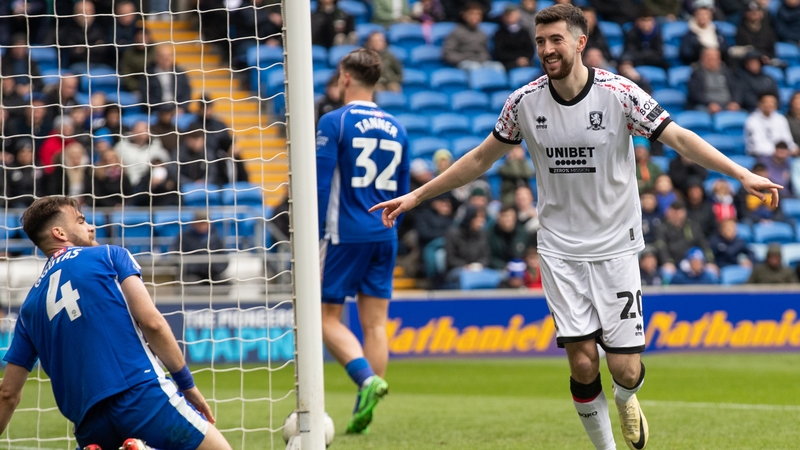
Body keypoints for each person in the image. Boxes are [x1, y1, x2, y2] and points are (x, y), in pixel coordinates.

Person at [370, 5, 781, 449]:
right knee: (583, 364)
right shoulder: (523, 103)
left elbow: (679, 137)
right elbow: (479, 158)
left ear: (580, 42)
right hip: (560, 251)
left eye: (556, 40)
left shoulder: (619, 93)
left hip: (616, 247)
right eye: (540, 41)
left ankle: (626, 397)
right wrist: (416, 196)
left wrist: (741, 174)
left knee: (625, 369)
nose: (547, 49)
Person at [0, 196, 232, 450]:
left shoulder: (29, 307)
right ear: (60, 233)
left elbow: (8, 393)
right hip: (141, 394)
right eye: (81, 221)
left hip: (88, 423)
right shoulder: (110, 255)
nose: (91, 227)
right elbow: (152, 322)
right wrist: (187, 385)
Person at [315, 48, 409, 434]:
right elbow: (403, 193)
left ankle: (366, 379)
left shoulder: (334, 121)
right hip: (385, 233)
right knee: (375, 325)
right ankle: (363, 412)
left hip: (344, 233)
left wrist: (313, 234)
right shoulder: (399, 128)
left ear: (346, 78)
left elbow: (321, 186)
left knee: (322, 318)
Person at [442, 3, 506, 71]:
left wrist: (481, 59)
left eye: (478, 14)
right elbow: (447, 53)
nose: (475, 17)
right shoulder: (457, 32)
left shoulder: (482, 33)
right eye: (472, 14)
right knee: (475, 67)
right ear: (464, 15)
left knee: (498, 66)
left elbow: (485, 52)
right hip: (463, 62)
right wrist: (465, 58)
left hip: (481, 62)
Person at [173, 211, 228, 284]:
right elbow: (176, 256)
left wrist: (213, 269)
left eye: (205, 223)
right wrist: (197, 268)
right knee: (191, 282)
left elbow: (224, 259)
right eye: (200, 223)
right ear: (194, 223)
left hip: (213, 273)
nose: (202, 226)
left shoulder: (217, 237)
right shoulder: (183, 238)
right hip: (192, 274)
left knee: (225, 282)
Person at [686, 48, 742, 114]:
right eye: (709, 58)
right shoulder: (697, 74)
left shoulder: (727, 72)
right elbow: (695, 94)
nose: (712, 61)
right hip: (705, 105)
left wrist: (735, 102)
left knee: (743, 113)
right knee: (701, 110)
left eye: (715, 58)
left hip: (727, 104)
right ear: (702, 59)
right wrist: (709, 103)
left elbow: (735, 88)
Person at [493, 5, 536, 71]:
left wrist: (525, 59)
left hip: (526, 62)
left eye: (512, 14)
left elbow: (530, 50)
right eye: (508, 15)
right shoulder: (499, 33)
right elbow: (499, 53)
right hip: (508, 63)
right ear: (504, 17)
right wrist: (517, 59)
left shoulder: (525, 32)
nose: (510, 16)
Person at [487, 205, 530, 270]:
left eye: (510, 217)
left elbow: (529, 253)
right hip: (498, 270)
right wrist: (504, 266)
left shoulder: (523, 234)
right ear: (498, 219)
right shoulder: (491, 234)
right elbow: (489, 256)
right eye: (504, 216)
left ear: (515, 218)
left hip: (520, 269)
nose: (507, 220)